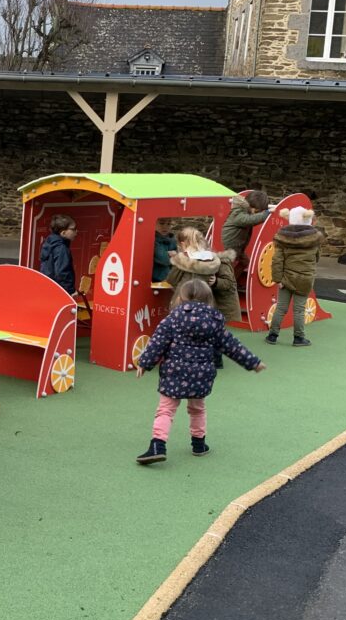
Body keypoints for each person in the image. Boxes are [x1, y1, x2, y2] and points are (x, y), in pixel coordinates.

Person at [135, 278, 265, 464]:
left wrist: (144, 363)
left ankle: (157, 445)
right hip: (201, 375)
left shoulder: (173, 318)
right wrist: (253, 362)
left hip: (174, 373)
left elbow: (158, 342)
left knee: (165, 410)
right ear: (209, 299)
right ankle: (198, 444)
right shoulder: (214, 321)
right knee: (197, 410)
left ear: (180, 297)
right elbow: (231, 345)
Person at [266, 206, 323, 347]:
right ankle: (298, 338)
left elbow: (277, 260)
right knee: (299, 309)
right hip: (305, 278)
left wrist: (277, 279)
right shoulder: (315, 239)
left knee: (281, 308)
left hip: (286, 278)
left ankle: (272, 335)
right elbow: (317, 257)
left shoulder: (282, 238)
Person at [220, 190, 271, 268]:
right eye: (257, 211)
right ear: (251, 205)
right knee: (228, 267)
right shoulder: (238, 213)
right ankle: (228, 278)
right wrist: (266, 214)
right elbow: (250, 220)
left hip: (239, 246)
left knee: (245, 263)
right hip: (231, 245)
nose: (255, 213)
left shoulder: (244, 211)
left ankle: (234, 278)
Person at [165, 227, 220, 291]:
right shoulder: (211, 258)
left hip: (186, 296)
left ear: (183, 244)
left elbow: (171, 280)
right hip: (205, 297)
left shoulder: (182, 259)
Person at [39, 215, 77, 294]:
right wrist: (70, 291)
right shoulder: (61, 248)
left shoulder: (49, 243)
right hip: (59, 291)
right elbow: (62, 273)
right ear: (63, 232)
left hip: (48, 287)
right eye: (73, 229)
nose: (76, 231)